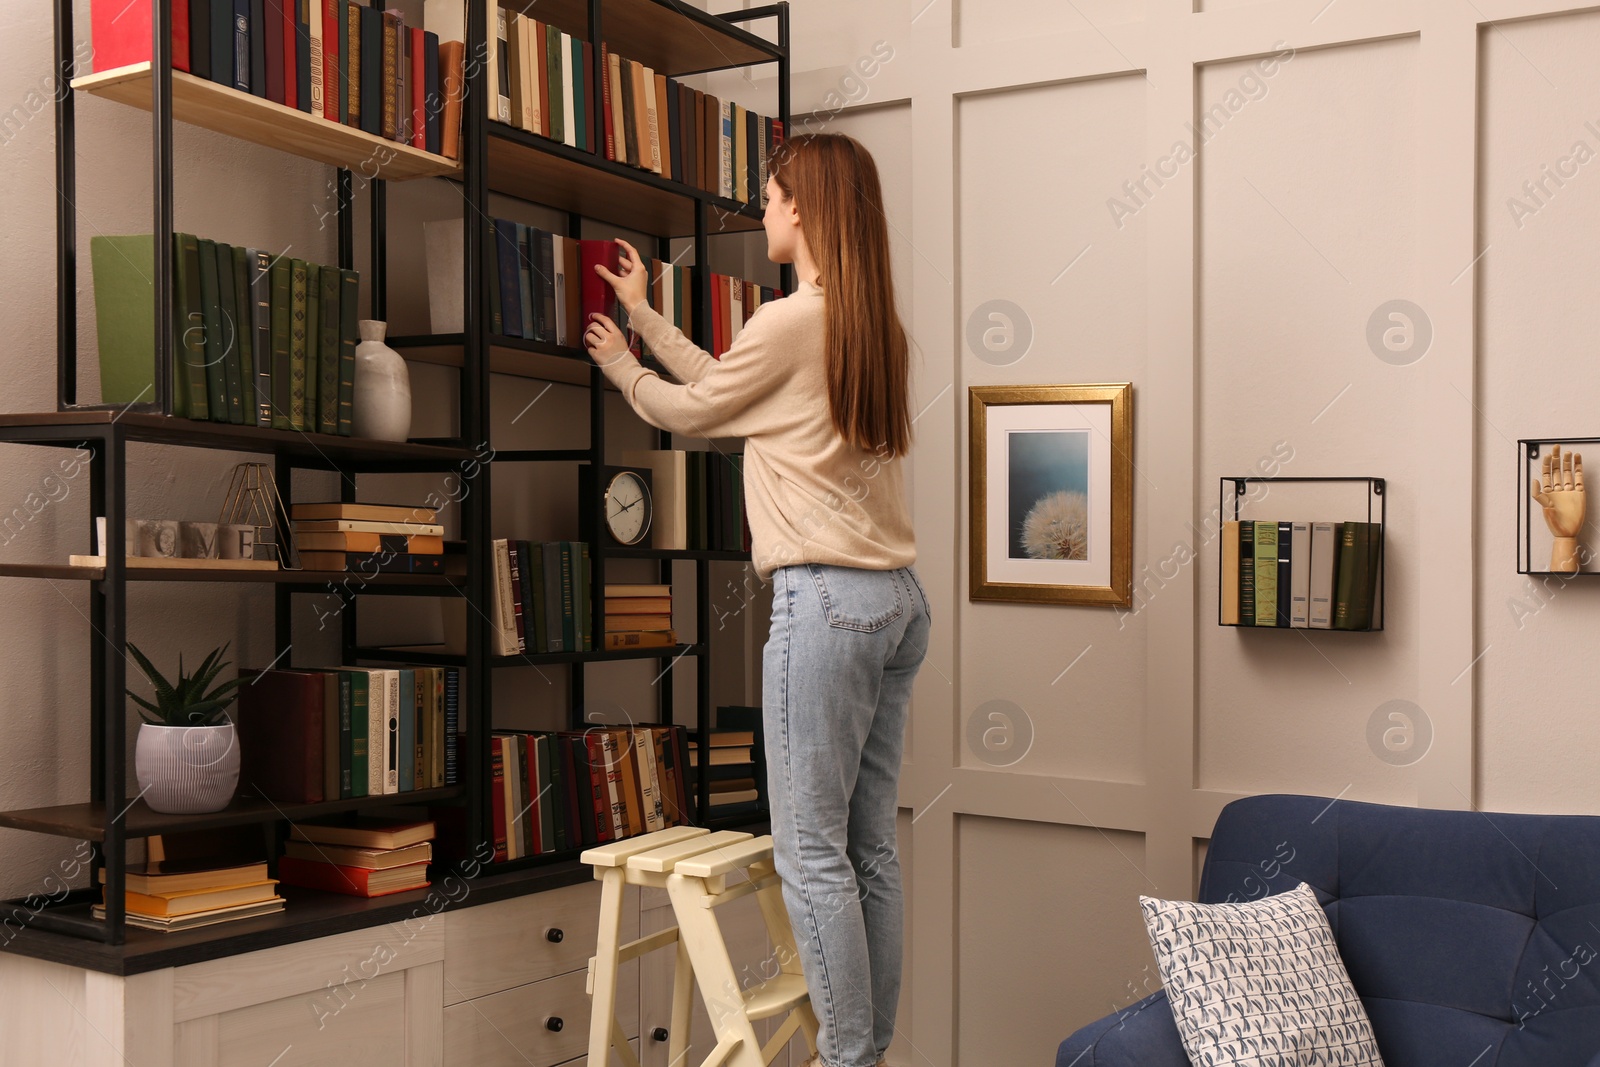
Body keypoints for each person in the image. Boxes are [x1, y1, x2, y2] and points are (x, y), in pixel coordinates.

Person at [583, 132, 930, 1067]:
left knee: (808, 853)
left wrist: (619, 366)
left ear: (805, 209)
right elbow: (732, 388)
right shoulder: (868, 326)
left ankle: (847, 1059)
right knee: (868, 855)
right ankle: (870, 1050)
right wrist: (648, 323)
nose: (763, 213)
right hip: (895, 601)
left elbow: (695, 414)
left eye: (771, 198)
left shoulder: (787, 323)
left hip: (824, 604)